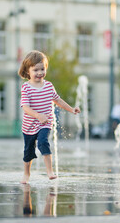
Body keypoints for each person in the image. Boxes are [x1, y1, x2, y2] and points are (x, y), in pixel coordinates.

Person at [18, 50, 81, 184]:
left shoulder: (48, 86)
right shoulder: (26, 87)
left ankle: (50, 171)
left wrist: (71, 109)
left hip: (45, 123)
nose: (40, 73)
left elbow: (58, 100)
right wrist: (37, 115)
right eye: (36, 70)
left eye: (42, 69)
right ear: (28, 71)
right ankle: (26, 173)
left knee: (43, 142)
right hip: (29, 126)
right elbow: (25, 107)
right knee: (28, 151)